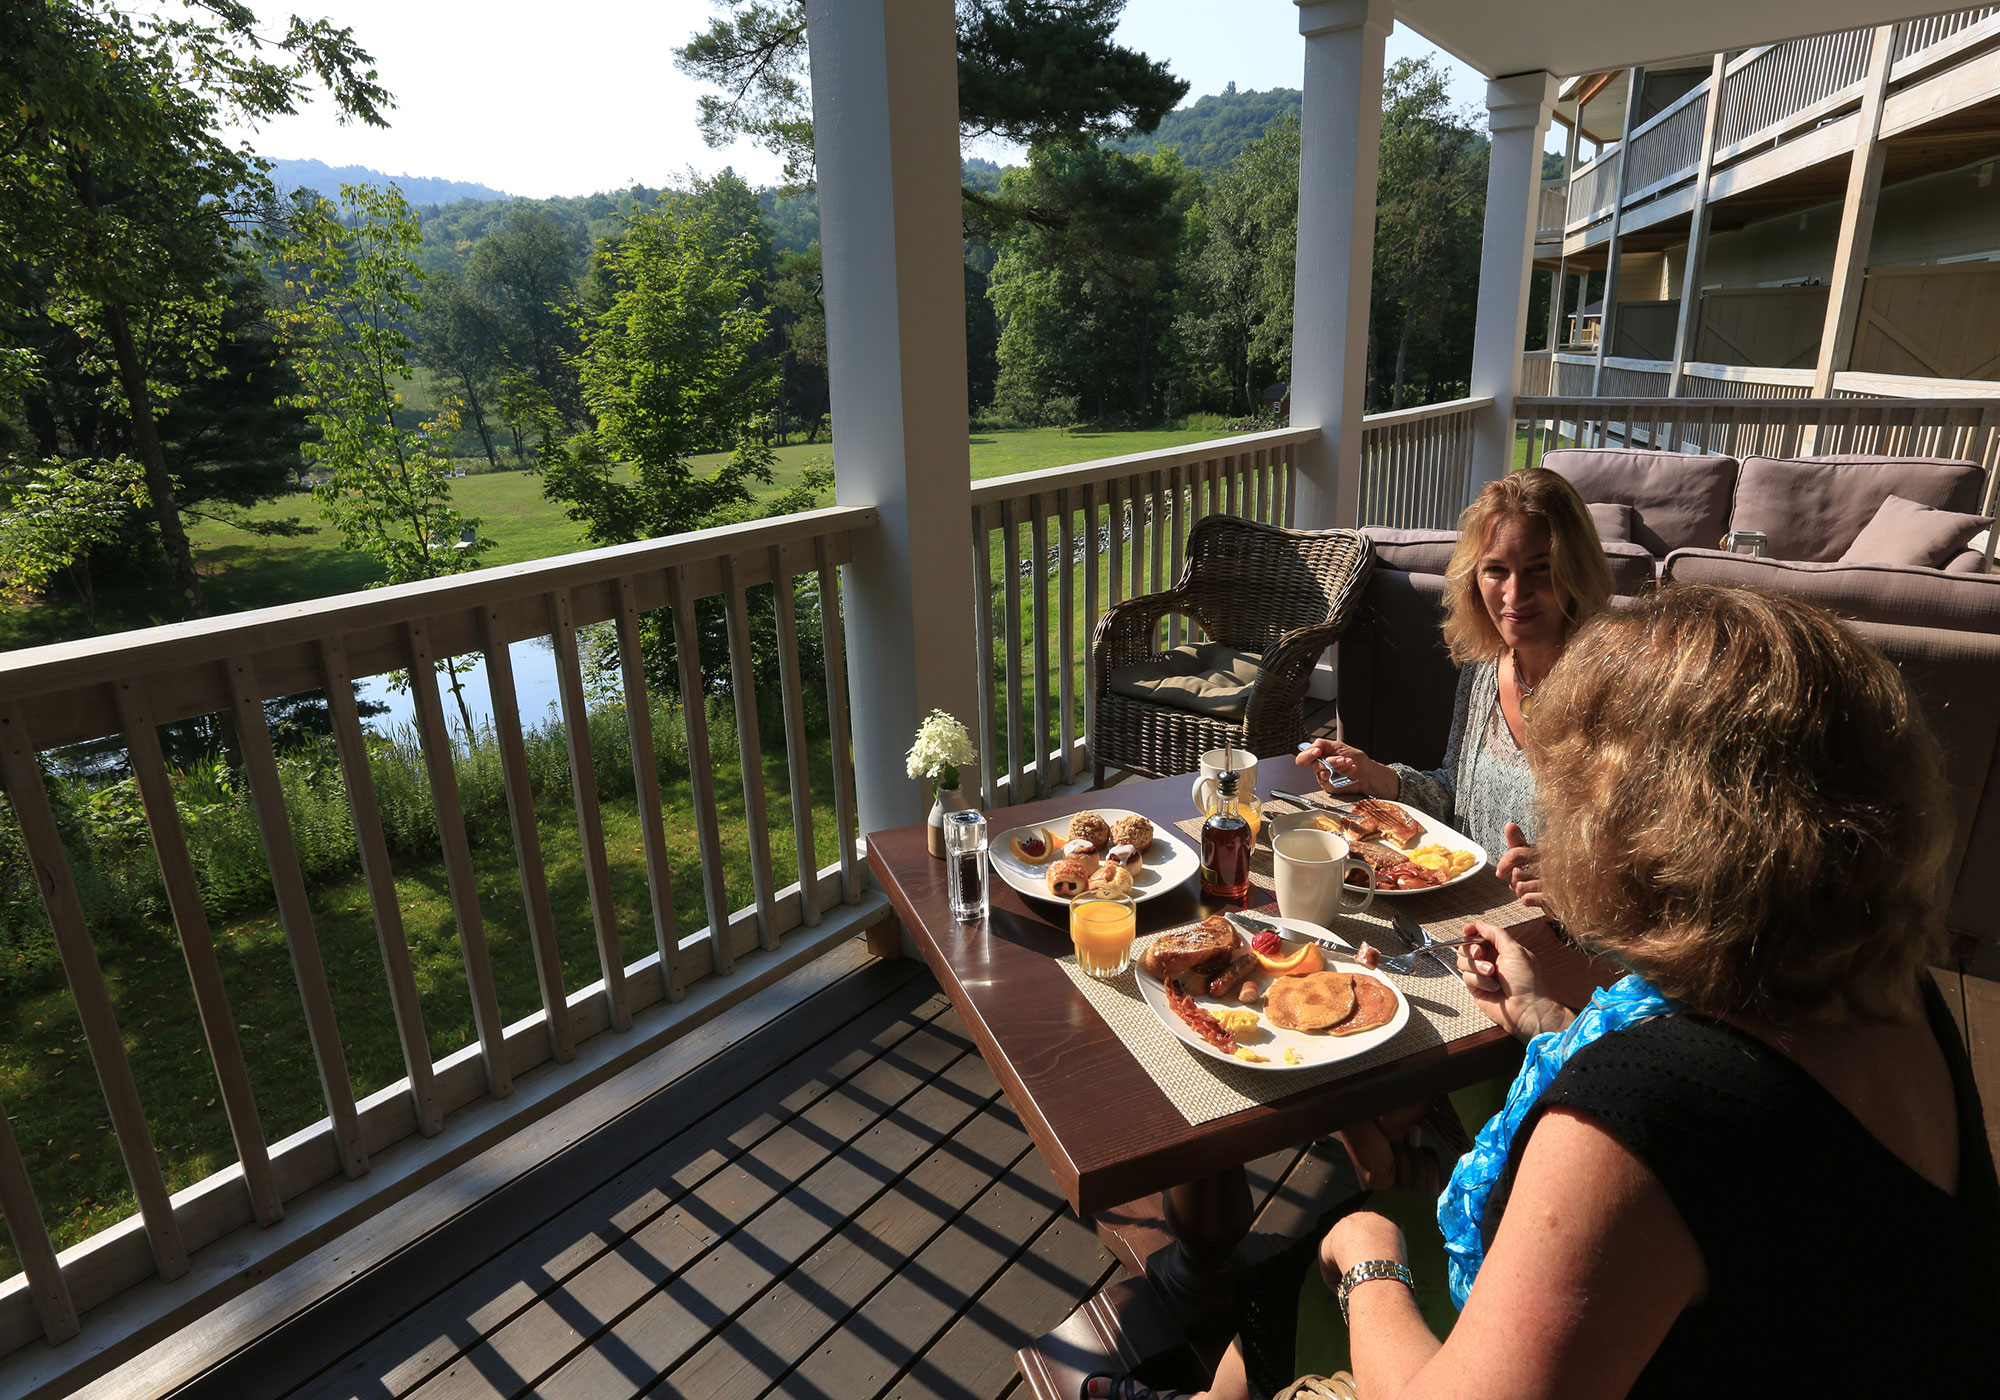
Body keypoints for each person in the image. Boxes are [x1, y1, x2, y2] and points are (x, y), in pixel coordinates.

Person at [1092, 586, 1999, 1400]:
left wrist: (1367, 1262)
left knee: (1322, 1250)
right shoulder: (1892, 995)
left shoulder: (1640, 1121)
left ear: (1653, 828)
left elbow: (1668, 1128)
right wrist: (1543, 1019)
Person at [1295, 468, 1615, 1187]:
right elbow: (1450, 792)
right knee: (1325, 971)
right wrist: (1381, 778)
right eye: (1496, 571)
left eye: (1539, 571)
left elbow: (1648, 856)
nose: (1514, 594)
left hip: (1573, 949)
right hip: (1463, 920)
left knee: (1345, 1038)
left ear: (1573, 574)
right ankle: (1397, 1153)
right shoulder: (1484, 671)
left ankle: (1402, 1171)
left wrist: (1572, 876)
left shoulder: (1610, 694)